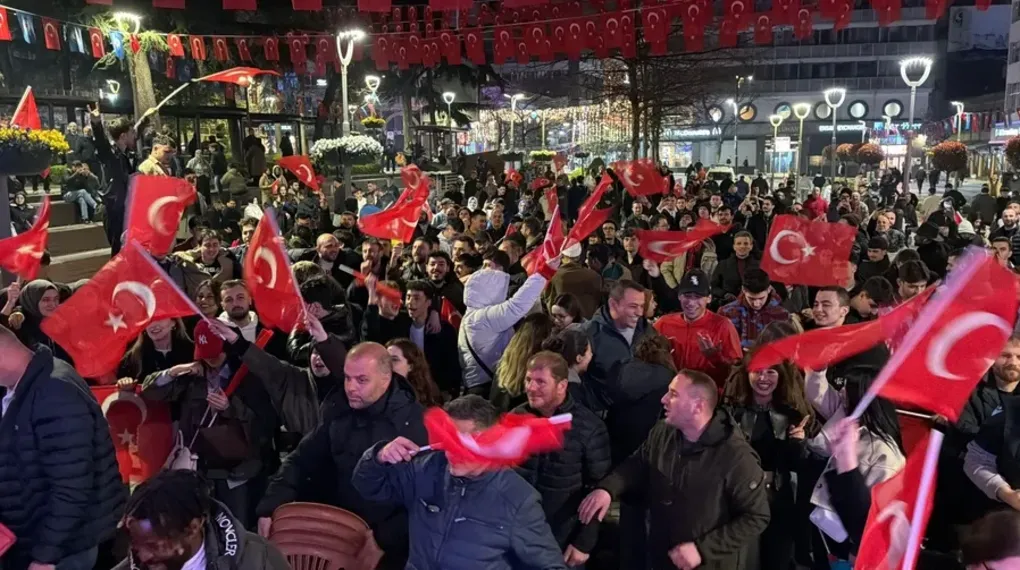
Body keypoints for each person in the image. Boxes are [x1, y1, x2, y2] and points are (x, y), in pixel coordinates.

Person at [256, 342, 427, 569]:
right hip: (334, 532)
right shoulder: (339, 409)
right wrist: (271, 505)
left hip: (383, 549)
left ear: (386, 378)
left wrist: (384, 539)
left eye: (361, 380)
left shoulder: (416, 424)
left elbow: (424, 499)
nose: (351, 387)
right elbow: (302, 459)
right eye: (347, 378)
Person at [578, 370, 770, 570]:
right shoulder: (663, 432)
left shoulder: (735, 455)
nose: (664, 399)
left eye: (673, 394)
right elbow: (638, 463)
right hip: (664, 556)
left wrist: (702, 549)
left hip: (710, 563)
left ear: (698, 406)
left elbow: (756, 516)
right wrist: (608, 489)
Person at [352, 395, 569, 570]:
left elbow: (551, 565)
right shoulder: (426, 469)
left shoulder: (518, 500)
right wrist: (378, 456)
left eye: (464, 444)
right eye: (449, 440)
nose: (452, 452)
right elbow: (366, 486)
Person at [0, 325, 126, 570]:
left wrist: (45, 556)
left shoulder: (54, 391)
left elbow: (72, 486)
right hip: (35, 538)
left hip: (65, 549)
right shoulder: (24, 384)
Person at [512, 352, 612, 567]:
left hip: (562, 540)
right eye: (528, 380)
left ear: (562, 385)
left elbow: (598, 490)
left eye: (540, 382)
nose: (531, 387)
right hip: (518, 538)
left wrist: (584, 542)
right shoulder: (515, 419)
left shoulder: (589, 428)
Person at [724, 360, 813, 569]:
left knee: (777, 559)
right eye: (757, 371)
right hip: (741, 497)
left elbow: (799, 465)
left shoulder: (792, 414)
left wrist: (799, 442)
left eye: (771, 372)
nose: (763, 378)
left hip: (778, 497)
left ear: (780, 376)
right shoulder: (731, 412)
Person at [115, 470, 290, 570]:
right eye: (136, 545)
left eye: (154, 546)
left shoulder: (260, 560)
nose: (143, 556)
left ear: (193, 528)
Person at [459, 264, 551, 398]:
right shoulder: (481, 318)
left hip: (480, 383)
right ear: (490, 291)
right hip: (483, 388)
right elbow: (516, 307)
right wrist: (544, 273)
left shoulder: (473, 316)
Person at [653, 270, 743, 386]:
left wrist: (715, 358)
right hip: (669, 390)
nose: (691, 302)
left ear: (709, 298)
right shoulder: (663, 324)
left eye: (698, 297)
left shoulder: (723, 326)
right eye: (687, 296)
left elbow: (737, 373)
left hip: (709, 393)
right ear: (679, 296)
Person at [584, 279, 656, 411]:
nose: (639, 313)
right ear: (613, 304)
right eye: (633, 306)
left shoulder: (648, 331)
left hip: (640, 414)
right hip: (604, 415)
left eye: (642, 306)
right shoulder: (590, 335)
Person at [89, 103, 137, 255]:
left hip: (124, 209)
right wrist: (96, 123)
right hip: (113, 209)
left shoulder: (126, 155)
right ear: (123, 136)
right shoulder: (110, 155)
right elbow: (101, 143)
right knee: (118, 252)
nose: (134, 136)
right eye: (131, 133)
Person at [718, 268, 791, 349]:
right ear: (743, 290)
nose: (756, 304)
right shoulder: (726, 313)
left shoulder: (782, 314)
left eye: (761, 298)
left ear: (769, 290)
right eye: (751, 298)